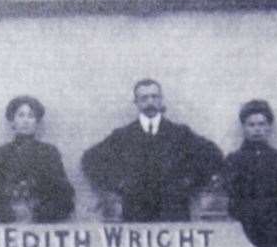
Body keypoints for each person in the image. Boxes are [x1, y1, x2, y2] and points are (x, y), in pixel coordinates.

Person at [81, 78, 224, 222]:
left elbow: (214, 155)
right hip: (135, 214)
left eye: (154, 97)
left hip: (173, 213)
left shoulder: (180, 133)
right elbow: (89, 159)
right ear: (136, 103)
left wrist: (188, 182)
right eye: (144, 98)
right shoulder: (123, 135)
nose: (150, 102)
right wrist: (119, 184)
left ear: (161, 100)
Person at [222, 99, 277, 247]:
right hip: (244, 231)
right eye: (251, 125)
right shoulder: (233, 161)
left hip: (276, 231)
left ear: (269, 127)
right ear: (244, 128)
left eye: (262, 124)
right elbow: (226, 198)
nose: (257, 130)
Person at [0, 95, 76, 223]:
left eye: (31, 116)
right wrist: (10, 195)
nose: (25, 121)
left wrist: (35, 198)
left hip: (40, 212)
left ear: (37, 122)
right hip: (6, 211)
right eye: (21, 115)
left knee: (63, 205)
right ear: (12, 121)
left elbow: (64, 190)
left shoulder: (49, 152)